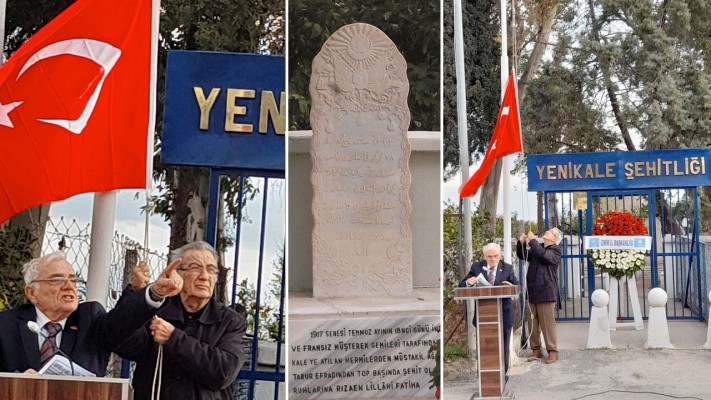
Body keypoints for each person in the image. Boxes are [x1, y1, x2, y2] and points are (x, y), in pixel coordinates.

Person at [0, 251, 182, 375]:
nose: (69, 286)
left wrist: (154, 292)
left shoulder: (90, 318)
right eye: (57, 280)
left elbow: (121, 321)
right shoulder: (5, 326)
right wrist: (13, 384)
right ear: (32, 293)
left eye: (73, 279)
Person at [115, 241, 247, 400]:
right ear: (177, 273)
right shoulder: (158, 310)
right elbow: (123, 344)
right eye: (195, 268)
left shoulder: (229, 321)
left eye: (211, 270)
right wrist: (137, 296)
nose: (204, 276)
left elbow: (223, 372)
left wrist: (173, 338)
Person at [459, 243, 519, 375]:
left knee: (503, 347)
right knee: (486, 347)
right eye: (489, 256)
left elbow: (516, 286)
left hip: (504, 314)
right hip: (483, 316)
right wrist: (470, 282)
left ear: (500, 255)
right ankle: (486, 376)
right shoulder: (477, 267)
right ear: (484, 256)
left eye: (496, 256)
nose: (493, 259)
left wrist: (510, 286)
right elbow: (462, 284)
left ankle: (503, 376)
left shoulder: (507, 268)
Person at [517, 228, 563, 364]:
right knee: (533, 323)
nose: (546, 232)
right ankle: (536, 350)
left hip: (546, 292)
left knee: (547, 323)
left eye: (549, 232)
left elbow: (544, 256)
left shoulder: (555, 250)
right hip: (532, 291)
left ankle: (552, 351)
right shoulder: (539, 248)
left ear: (554, 239)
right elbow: (523, 256)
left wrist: (532, 241)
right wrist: (521, 244)